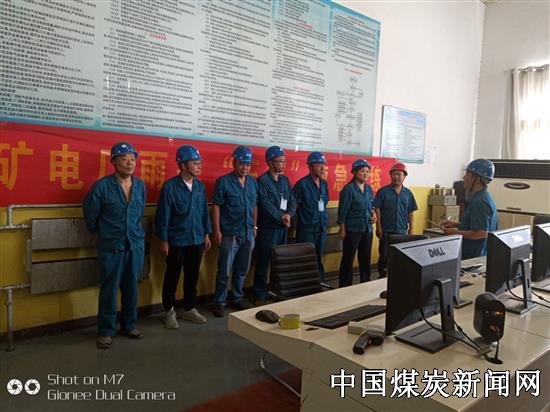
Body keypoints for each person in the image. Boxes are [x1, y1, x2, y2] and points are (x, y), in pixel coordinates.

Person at [83, 142, 146, 349]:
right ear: (114, 162)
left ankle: (129, 325)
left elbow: (139, 212)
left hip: (134, 245)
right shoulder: (101, 186)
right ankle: (106, 331)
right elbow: (91, 215)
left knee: (131, 288)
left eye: (133, 159)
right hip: (111, 246)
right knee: (109, 291)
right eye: (124, 159)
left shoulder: (140, 185)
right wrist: (106, 232)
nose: (130, 163)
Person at [155, 145, 212, 330]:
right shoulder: (170, 187)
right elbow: (163, 215)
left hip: (197, 239)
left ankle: (189, 308)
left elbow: (204, 212)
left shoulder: (199, 186)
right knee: (172, 276)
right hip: (177, 240)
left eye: (200, 163)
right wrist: (164, 240)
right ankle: (169, 311)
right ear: (183, 165)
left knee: (192, 275)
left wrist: (206, 234)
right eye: (195, 163)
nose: (199, 166)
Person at [211, 146, 257, 317]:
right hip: (230, 235)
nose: (245, 168)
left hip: (248, 234)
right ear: (234, 163)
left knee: (242, 270)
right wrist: (217, 231)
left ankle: (237, 298)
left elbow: (254, 205)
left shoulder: (252, 183)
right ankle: (219, 302)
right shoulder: (223, 182)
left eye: (248, 164)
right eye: (241, 164)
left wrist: (255, 227)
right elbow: (216, 206)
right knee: (224, 271)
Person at [253, 146, 296, 304]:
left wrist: (289, 214)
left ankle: (275, 291)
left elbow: (292, 200)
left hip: (282, 227)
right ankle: (259, 295)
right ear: (270, 163)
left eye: (285, 161)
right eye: (280, 161)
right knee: (263, 262)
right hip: (268, 228)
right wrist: (281, 216)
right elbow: (265, 204)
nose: (284, 164)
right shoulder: (262, 181)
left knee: (279, 261)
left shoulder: (285, 180)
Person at [441, 159, 498, 259]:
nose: (464, 177)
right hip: (479, 255)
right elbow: (477, 225)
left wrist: (455, 232)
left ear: (477, 179)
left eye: (467, 174)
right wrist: (456, 224)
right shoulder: (484, 197)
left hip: (473, 257)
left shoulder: (479, 202)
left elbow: (481, 233)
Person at [374, 162, 418, 278]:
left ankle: (397, 279)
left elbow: (410, 211)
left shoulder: (408, 193)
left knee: (400, 257)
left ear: (404, 176)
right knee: (384, 257)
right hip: (386, 231)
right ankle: (382, 278)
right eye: (393, 174)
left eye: (399, 174)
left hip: (401, 232)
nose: (396, 177)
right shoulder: (383, 191)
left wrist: (411, 228)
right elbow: (377, 209)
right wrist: (378, 227)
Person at [337, 159, 377, 287]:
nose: (365, 174)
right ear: (354, 172)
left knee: (365, 259)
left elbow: (371, 206)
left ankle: (365, 283)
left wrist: (373, 213)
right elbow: (342, 211)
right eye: (362, 171)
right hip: (352, 230)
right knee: (348, 259)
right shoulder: (348, 189)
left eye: (367, 172)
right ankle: (344, 286)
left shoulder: (368, 189)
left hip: (367, 229)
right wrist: (342, 229)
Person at [293, 151, 329, 281]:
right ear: (310, 166)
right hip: (307, 229)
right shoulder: (301, 184)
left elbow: (325, 203)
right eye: (319, 164)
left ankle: (319, 282)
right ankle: (304, 285)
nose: (322, 167)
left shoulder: (324, 184)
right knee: (304, 259)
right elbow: (293, 206)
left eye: (323, 164)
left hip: (321, 228)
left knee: (318, 258)